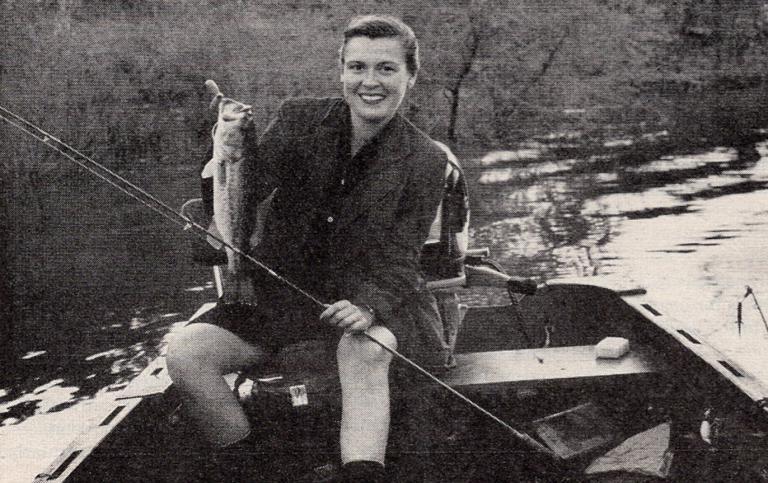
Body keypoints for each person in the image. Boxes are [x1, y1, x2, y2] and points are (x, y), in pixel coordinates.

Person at [167, 14, 452, 482]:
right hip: (279, 298)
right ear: (341, 72)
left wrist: (366, 305)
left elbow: (403, 257)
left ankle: (362, 474)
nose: (369, 82)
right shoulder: (300, 119)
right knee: (185, 354)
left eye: (386, 69)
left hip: (367, 302)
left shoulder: (426, 159)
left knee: (367, 348)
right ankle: (252, 469)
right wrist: (226, 151)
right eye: (357, 67)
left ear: (411, 76)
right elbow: (247, 189)